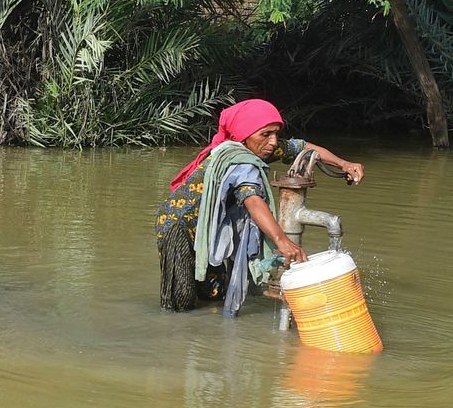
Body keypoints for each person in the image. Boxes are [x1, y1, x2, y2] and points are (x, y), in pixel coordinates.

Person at [156, 99, 364, 315]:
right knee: (181, 300)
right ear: (244, 135)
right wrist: (282, 241)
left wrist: (344, 164)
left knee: (213, 293)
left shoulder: (256, 148)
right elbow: (253, 200)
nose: (273, 142)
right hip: (177, 226)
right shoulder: (240, 162)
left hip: (210, 228)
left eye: (276, 133)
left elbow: (304, 148)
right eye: (266, 134)